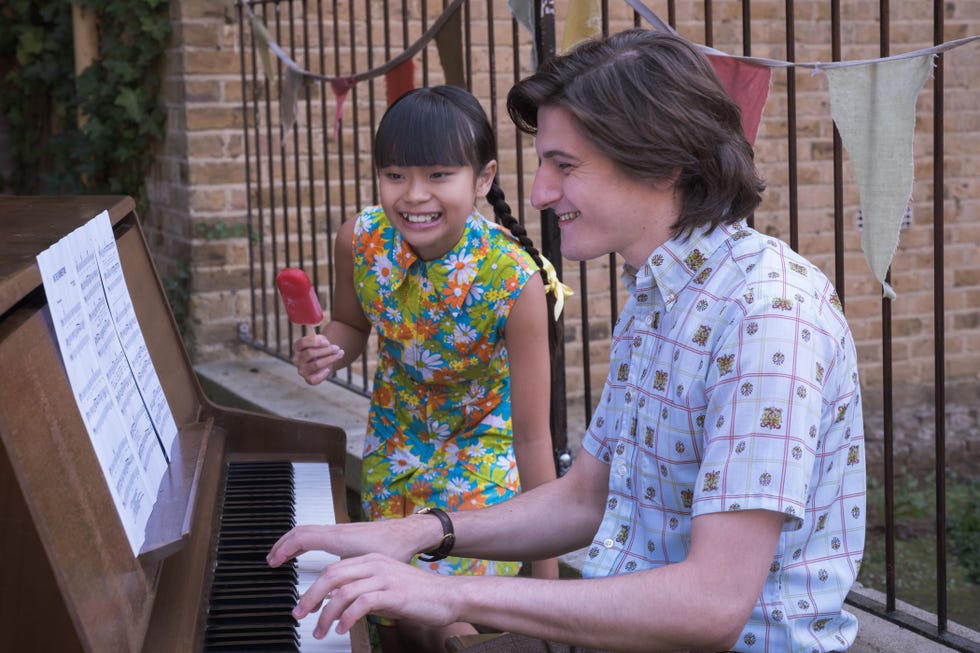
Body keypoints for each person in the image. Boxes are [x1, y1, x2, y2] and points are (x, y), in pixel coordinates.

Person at [270, 29, 866, 653]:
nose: (538, 194)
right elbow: (584, 499)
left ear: (663, 165)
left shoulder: (767, 314)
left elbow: (712, 606)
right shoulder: (659, 291)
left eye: (565, 165)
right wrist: (421, 532)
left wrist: (452, 593)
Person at [288, 85, 564, 652]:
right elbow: (351, 325)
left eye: (439, 175)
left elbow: (535, 438)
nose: (414, 195)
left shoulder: (514, 281)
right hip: (393, 448)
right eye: (395, 175)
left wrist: (549, 591)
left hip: (482, 462)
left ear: (482, 179)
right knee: (381, 608)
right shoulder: (359, 241)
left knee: (436, 616)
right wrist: (327, 350)